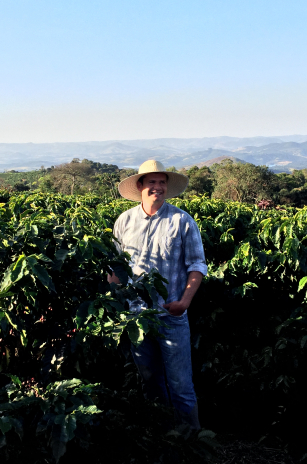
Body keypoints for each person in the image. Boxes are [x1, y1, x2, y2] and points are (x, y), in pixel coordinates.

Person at [108, 159, 207, 429]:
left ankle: (192, 442)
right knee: (150, 382)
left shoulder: (181, 221)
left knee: (181, 387)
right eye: (152, 182)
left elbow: (197, 264)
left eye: (162, 182)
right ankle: (160, 437)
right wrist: (114, 304)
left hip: (171, 316)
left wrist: (184, 302)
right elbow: (115, 267)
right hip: (136, 317)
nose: (157, 187)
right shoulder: (124, 221)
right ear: (140, 186)